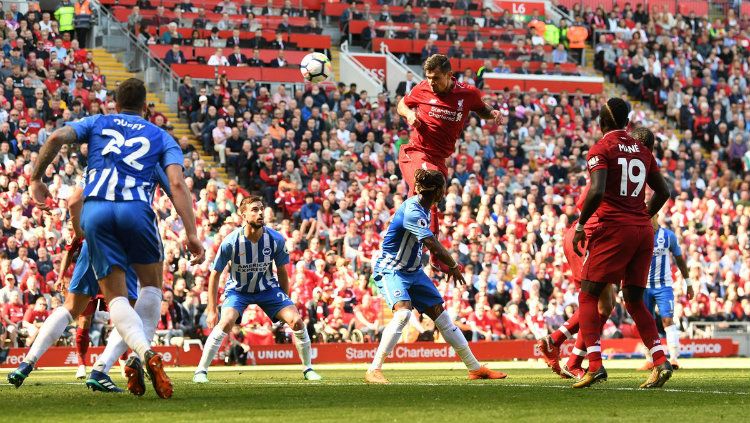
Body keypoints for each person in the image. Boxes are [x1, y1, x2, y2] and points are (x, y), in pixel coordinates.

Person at [28, 78, 204, 399]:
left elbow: (58, 145)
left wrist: (36, 179)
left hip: (94, 218)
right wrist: (191, 233)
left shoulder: (99, 126)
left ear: (114, 103)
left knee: (102, 302)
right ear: (146, 107)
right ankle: (135, 356)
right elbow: (176, 185)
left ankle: (47, 364)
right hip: (135, 215)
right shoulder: (159, 138)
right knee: (148, 292)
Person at [364, 169, 506, 384]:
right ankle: (374, 369)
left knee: (442, 317)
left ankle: (475, 368)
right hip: (391, 270)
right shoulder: (413, 210)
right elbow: (432, 244)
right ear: (438, 192)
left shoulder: (424, 207)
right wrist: (453, 265)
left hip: (413, 271)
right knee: (403, 314)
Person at [538, 126, 657, 380]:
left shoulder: (619, 171)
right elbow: (590, 200)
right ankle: (575, 357)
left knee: (605, 305)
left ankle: (559, 345)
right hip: (588, 237)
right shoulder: (617, 171)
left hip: (597, 236)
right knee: (598, 301)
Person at [570, 98, 671, 389]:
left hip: (613, 228)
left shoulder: (601, 148)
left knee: (588, 294)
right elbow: (663, 191)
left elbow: (597, 190)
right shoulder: (642, 149)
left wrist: (580, 225)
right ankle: (660, 360)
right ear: (627, 122)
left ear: (601, 124)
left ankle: (595, 365)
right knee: (635, 299)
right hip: (642, 231)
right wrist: (643, 215)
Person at [192, 196, 322, 383]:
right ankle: (201, 371)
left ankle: (308, 369)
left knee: (296, 321)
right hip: (238, 290)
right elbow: (215, 274)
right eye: (254, 209)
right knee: (226, 322)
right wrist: (212, 309)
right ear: (243, 214)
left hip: (267, 289)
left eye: (261, 209)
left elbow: (283, 272)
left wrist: (284, 300)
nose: (260, 213)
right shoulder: (231, 241)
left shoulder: (275, 239)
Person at [397, 54, 502, 274]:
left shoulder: (468, 93)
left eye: (435, 78)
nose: (431, 82)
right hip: (415, 152)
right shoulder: (422, 89)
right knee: (428, 185)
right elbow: (402, 104)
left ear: (449, 75)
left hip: (438, 159)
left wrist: (492, 114)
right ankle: (435, 254)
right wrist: (408, 114)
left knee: (421, 204)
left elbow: (480, 107)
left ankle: (411, 251)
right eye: (428, 77)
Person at [641, 214, 691, 370]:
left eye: (650, 214)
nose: (648, 218)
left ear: (656, 216)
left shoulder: (668, 236)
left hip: (664, 286)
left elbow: (680, 259)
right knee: (645, 322)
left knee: (667, 321)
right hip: (644, 287)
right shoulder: (639, 234)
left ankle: (674, 358)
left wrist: (688, 283)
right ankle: (650, 359)